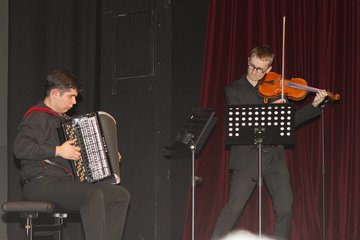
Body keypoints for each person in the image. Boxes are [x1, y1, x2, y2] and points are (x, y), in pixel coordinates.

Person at [211, 45, 328, 240]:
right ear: (248, 60)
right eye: (253, 66)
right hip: (247, 156)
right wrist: (270, 110)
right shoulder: (233, 90)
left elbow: (292, 121)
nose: (256, 72)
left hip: (274, 157)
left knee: (285, 207)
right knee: (234, 208)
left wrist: (314, 105)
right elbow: (243, 119)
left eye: (261, 69)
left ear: (270, 69)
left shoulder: (276, 88)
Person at [13, 69, 130, 240]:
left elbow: (79, 155)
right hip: (39, 182)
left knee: (120, 195)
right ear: (54, 93)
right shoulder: (36, 117)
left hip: (63, 183)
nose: (74, 102)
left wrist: (108, 156)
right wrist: (58, 150)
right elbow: (20, 148)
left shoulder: (66, 121)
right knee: (92, 194)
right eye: (70, 96)